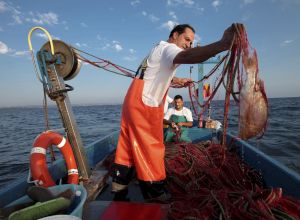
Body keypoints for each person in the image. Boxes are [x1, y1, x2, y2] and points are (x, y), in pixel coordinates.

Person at [111, 23, 237, 201]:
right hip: (144, 106)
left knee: (127, 147)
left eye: (192, 42)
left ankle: (118, 187)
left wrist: (174, 80)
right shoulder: (169, 48)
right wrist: (223, 44)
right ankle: (155, 193)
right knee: (152, 147)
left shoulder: (158, 48)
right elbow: (188, 56)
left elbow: (152, 75)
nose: (189, 45)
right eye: (187, 39)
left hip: (132, 102)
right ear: (174, 35)